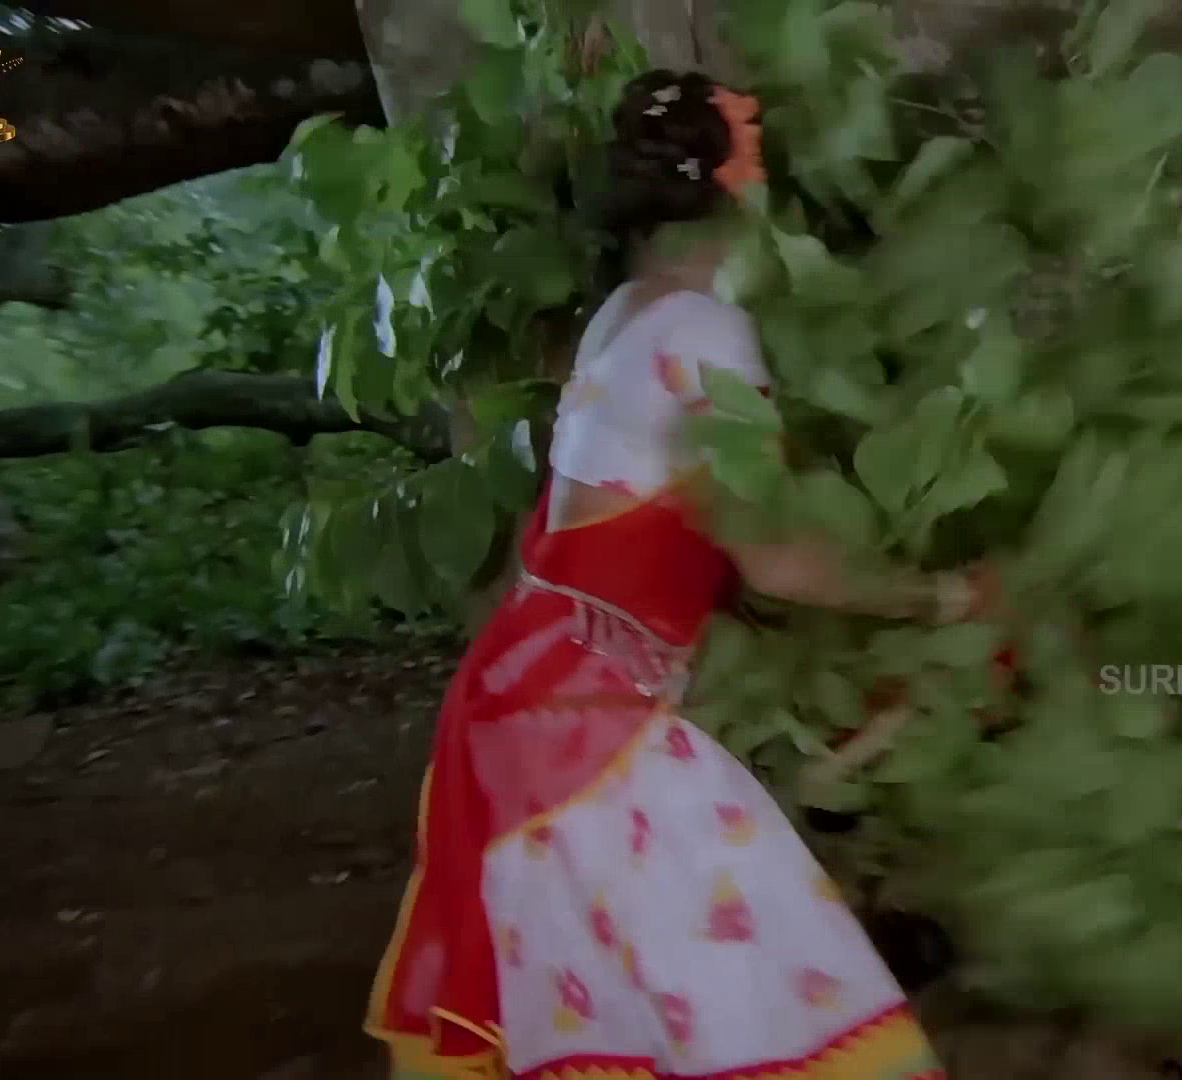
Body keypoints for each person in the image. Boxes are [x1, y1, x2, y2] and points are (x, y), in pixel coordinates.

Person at [365, 69, 980, 1080]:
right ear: (738, 189)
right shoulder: (706, 330)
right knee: (775, 1007)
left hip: (524, 704)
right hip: (590, 728)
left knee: (625, 1027)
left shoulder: (625, 314)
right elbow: (772, 560)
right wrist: (944, 597)